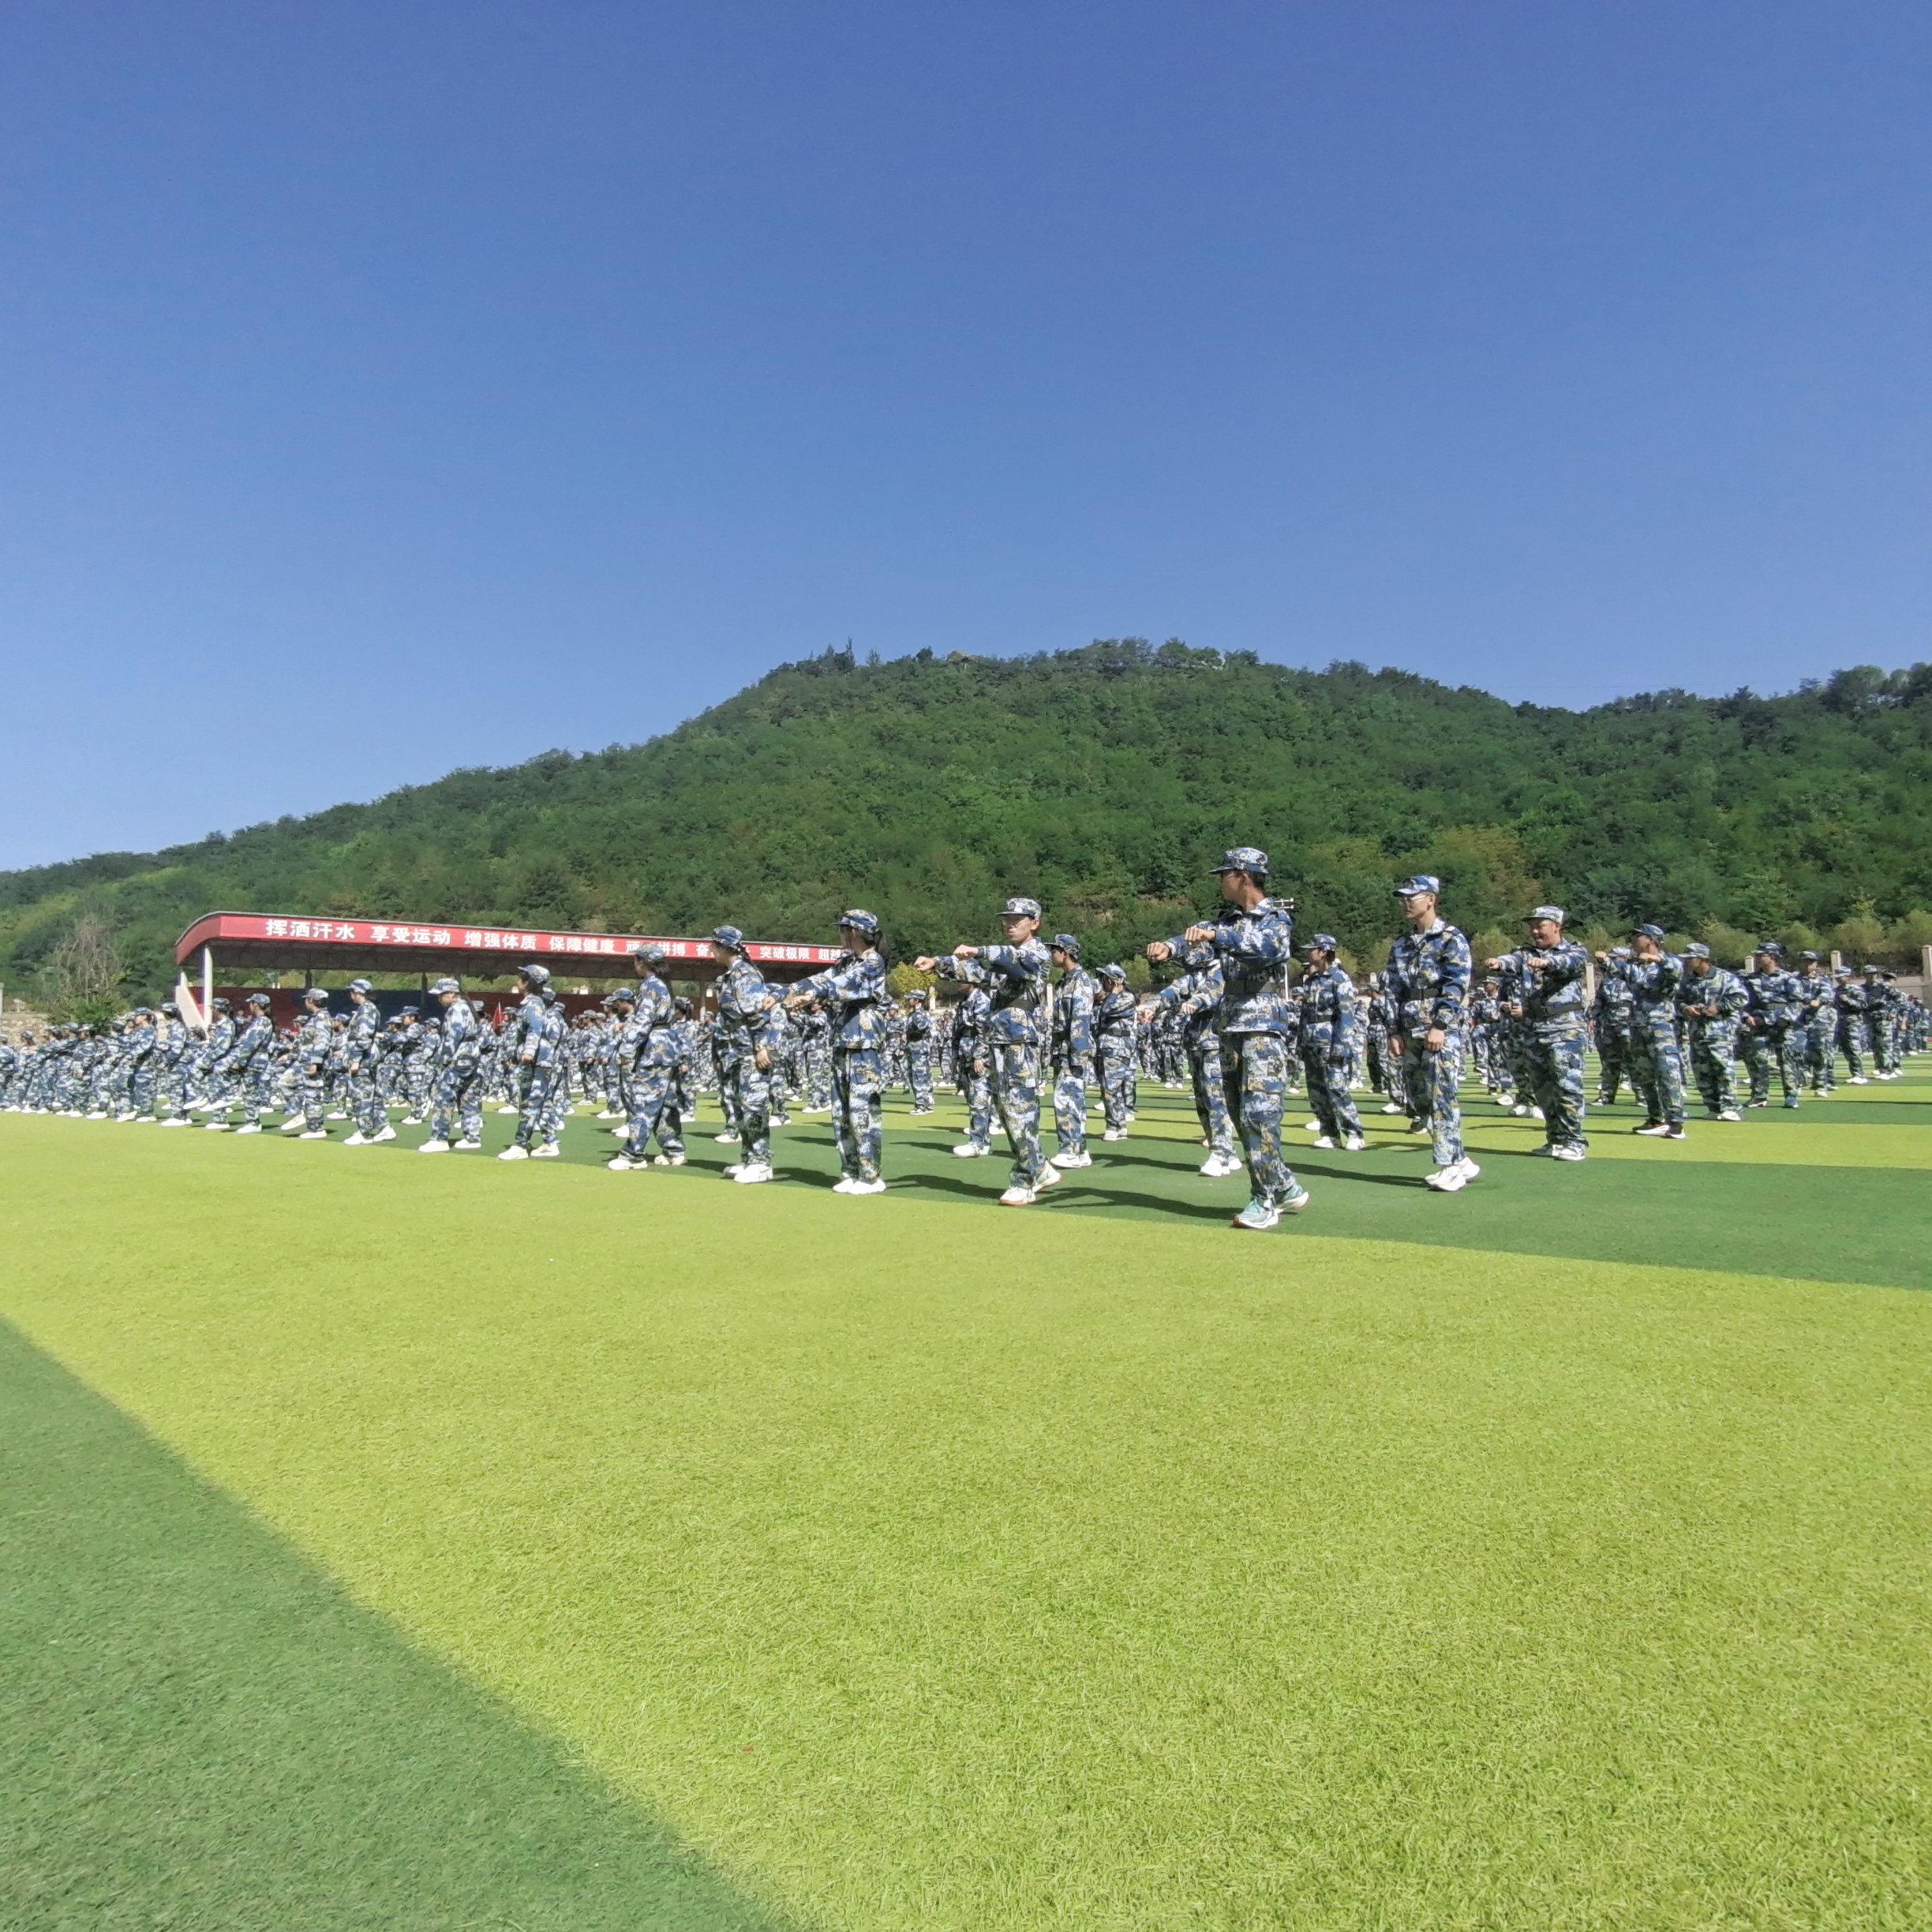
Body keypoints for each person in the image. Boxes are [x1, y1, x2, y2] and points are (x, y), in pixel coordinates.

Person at [1147, 848, 1309, 1228]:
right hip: (1230, 1025)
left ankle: (1264, 1199)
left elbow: (1267, 949)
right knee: (1238, 1113)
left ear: (1244, 877)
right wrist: (1169, 947)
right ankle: (1284, 1185)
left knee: (1260, 1115)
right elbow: (1195, 939)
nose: (1221, 881)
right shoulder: (1227, 920)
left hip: (1261, 1025)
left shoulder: (1275, 918)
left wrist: (1215, 934)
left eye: (1225, 874)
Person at [915, 898, 1057, 1206]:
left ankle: (1025, 1180)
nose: (1010, 924)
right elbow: (977, 973)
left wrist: (979, 950)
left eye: (1017, 919)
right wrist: (939, 962)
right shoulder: (1005, 962)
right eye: (1006, 919)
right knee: (1007, 1111)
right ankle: (1040, 1167)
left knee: (1021, 1110)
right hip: (999, 1041)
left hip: (1019, 1042)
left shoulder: (1037, 953)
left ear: (1034, 923)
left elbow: (1010, 961)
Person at [784, 910, 891, 1193]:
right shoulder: (846, 962)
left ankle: (870, 1175)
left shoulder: (872, 962)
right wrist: (787, 991)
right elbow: (820, 979)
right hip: (843, 1041)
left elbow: (840, 985)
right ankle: (851, 1170)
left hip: (863, 1043)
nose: (840, 935)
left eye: (842, 930)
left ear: (853, 932)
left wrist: (811, 996)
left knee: (862, 1111)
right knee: (841, 1112)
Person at [1385, 875, 1479, 1192]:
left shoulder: (1451, 939)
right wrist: (1393, 1030)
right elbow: (1393, 989)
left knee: (1442, 1095)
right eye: (1404, 897)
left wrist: (1441, 1025)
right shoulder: (1401, 944)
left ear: (1431, 899)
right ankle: (1462, 1159)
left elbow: (1456, 984)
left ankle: (1450, 1164)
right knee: (1418, 1097)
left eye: (1413, 897)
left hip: (1438, 1028)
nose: (1407, 902)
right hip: (1409, 1026)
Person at [1485, 907, 1590, 1160]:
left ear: (1557, 926)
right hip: (1534, 1028)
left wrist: (1548, 962)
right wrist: (1499, 963)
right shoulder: (1526, 953)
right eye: (1532, 926)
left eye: (1540, 925)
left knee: (1567, 1086)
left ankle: (1575, 1141)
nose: (1534, 931)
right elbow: (1515, 961)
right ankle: (1555, 1139)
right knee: (1542, 1088)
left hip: (1564, 1028)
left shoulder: (1574, 950)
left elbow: (1570, 964)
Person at [1598, 925, 1687, 1136]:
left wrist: (1658, 960)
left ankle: (1675, 1122)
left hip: (1661, 1026)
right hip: (1638, 1025)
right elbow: (1618, 971)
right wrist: (1604, 961)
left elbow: (1677, 970)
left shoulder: (1667, 963)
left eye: (1636, 936)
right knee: (1644, 1074)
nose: (1632, 940)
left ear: (1650, 940)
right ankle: (1655, 1118)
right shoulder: (1636, 966)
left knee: (1667, 1073)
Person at [711, 926, 781, 1184]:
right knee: (743, 1105)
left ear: (721, 947)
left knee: (755, 1106)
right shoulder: (731, 975)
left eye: (714, 946)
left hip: (752, 1048)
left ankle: (762, 1163)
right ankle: (749, 1158)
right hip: (739, 1049)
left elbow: (758, 1013)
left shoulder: (745, 974)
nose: (712, 951)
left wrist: (762, 1046)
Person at [606, 945, 683, 1170]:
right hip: (666, 1048)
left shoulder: (650, 985)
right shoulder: (663, 985)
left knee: (643, 1101)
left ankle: (633, 1154)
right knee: (666, 1104)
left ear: (642, 962)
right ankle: (673, 1149)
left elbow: (642, 1022)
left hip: (654, 1049)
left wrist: (626, 1049)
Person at [1295, 934, 1365, 1151]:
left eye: (1313, 949)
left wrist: (1342, 1045)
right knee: (1317, 1091)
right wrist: (1300, 1043)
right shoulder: (1312, 981)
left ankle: (1354, 1133)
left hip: (1331, 1040)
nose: (1309, 953)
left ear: (1324, 951)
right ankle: (1329, 1133)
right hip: (1311, 1041)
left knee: (1337, 1089)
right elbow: (1305, 1014)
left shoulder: (1339, 980)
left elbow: (1346, 1015)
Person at [1678, 943, 1748, 1120]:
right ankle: (1713, 1107)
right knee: (1702, 1071)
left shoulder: (1725, 978)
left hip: (1720, 1032)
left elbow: (1741, 997)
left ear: (1702, 959)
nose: (1686, 962)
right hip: (1697, 1032)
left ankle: (1730, 1106)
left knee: (1723, 1070)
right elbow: (1677, 1000)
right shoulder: (1687, 980)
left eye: (1690, 959)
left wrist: (1719, 1007)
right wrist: (1686, 1008)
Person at [1046, 934, 1097, 1170]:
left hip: (1072, 1050)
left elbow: (1080, 1020)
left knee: (1066, 1101)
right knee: (1069, 1100)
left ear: (1065, 953)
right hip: (1061, 1049)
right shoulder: (1064, 982)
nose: (1051, 954)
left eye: (1054, 950)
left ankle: (1071, 1150)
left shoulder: (1081, 981)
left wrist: (1078, 1055)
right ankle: (1080, 1150)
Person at [419, 977, 487, 1151]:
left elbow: (453, 1037)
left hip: (458, 1058)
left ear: (451, 993)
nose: (439, 999)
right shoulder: (468, 1008)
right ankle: (472, 1138)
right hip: (472, 1057)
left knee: (443, 1096)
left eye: (441, 995)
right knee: (468, 1097)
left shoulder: (456, 1010)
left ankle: (439, 1138)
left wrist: (443, 1060)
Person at [1738, 942, 1803, 1110]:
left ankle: (1791, 1095)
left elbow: (1797, 1002)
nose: (1758, 958)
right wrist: (1747, 1017)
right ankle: (1759, 1095)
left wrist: (1786, 1018)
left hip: (1782, 1024)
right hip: (1760, 1024)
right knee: (1758, 1060)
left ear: (1773, 957)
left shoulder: (1788, 979)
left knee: (1787, 1061)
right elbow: (1744, 1002)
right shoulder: (1751, 980)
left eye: (1762, 955)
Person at [1093, 964, 1139, 1140]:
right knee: (1109, 1088)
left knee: (1111, 1088)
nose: (1102, 982)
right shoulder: (1105, 998)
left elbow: (1107, 1011)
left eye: (1106, 979)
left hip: (1118, 1046)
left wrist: (1113, 993)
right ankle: (1120, 1124)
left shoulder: (1127, 998)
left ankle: (1112, 1125)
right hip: (1103, 1046)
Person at [902, 990, 935, 1115]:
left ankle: (921, 1105)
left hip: (919, 1048)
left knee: (919, 1077)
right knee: (918, 1076)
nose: (909, 1000)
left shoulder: (920, 1014)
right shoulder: (914, 1014)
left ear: (917, 1001)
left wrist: (908, 1034)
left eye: (911, 998)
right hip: (914, 1048)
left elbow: (922, 1028)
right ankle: (926, 1104)